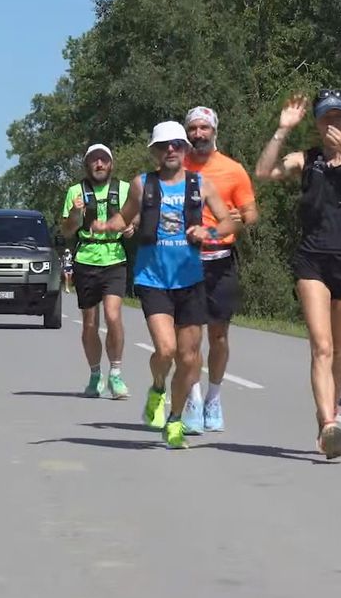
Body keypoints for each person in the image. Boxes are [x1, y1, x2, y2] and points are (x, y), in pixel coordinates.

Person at [254, 90, 341, 459]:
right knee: (322, 346)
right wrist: (282, 130)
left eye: (339, 117)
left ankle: (330, 412)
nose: (333, 124)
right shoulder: (307, 160)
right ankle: (328, 424)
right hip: (313, 261)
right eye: (326, 118)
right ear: (317, 123)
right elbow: (263, 172)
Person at [94, 121, 239, 448]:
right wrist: (106, 226)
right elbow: (125, 217)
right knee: (166, 350)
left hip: (191, 280)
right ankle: (158, 387)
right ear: (155, 152)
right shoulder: (142, 184)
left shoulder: (200, 185)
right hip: (153, 279)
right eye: (163, 146)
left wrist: (208, 232)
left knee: (189, 359)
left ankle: (174, 420)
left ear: (185, 149)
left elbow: (228, 222)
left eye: (176, 144)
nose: (170, 150)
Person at [179, 105, 258, 434]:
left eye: (204, 128)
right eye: (193, 128)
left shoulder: (233, 170)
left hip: (221, 260)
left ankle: (214, 397)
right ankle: (194, 399)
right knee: (190, 337)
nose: (198, 134)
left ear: (214, 131)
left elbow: (251, 213)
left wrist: (241, 217)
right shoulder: (177, 167)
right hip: (185, 260)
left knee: (219, 335)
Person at [58, 143, 134, 400]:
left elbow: (135, 217)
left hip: (115, 258)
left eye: (103, 160)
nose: (99, 164)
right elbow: (67, 230)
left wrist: (131, 227)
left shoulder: (124, 189)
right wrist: (75, 213)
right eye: (94, 160)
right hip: (86, 259)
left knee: (113, 316)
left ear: (111, 164)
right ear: (87, 164)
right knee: (90, 323)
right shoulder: (75, 192)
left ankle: (116, 373)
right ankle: (94, 374)